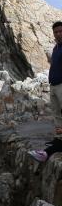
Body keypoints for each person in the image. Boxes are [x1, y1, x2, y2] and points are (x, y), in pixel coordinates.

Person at [30, 21, 62, 162]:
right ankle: (59, 140)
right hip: (54, 85)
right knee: (57, 115)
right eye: (56, 32)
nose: (58, 34)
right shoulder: (56, 48)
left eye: (61, 31)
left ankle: (54, 148)